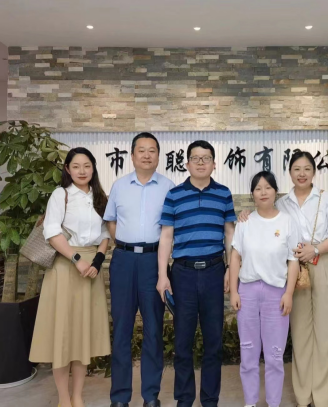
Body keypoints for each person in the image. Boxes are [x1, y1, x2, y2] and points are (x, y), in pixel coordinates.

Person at [239, 151, 328, 407]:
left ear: (314, 172)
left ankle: (322, 398)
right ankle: (302, 395)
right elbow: (265, 217)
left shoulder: (326, 199)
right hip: (295, 269)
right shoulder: (283, 202)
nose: (302, 173)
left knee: (325, 332)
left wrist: (315, 249)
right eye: (297, 169)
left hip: (323, 261)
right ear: (290, 173)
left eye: (307, 168)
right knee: (299, 331)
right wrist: (245, 213)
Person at [157, 140, 237, 407]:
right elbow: (166, 236)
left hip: (214, 271)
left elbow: (229, 234)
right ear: (187, 163)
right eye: (195, 158)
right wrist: (162, 275)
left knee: (214, 341)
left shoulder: (223, 194)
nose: (201, 162)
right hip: (183, 274)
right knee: (182, 343)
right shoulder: (174, 195)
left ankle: (210, 400)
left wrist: (230, 270)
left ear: (214, 163)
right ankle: (184, 399)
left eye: (206, 158)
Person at [30, 147, 111, 407]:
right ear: (67, 169)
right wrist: (77, 260)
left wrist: (96, 262)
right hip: (65, 267)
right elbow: (52, 232)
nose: (82, 171)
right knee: (62, 336)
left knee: (81, 336)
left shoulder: (100, 197)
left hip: (91, 270)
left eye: (87, 166)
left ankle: (78, 396)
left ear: (93, 168)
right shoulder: (60, 195)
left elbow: (105, 235)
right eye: (76, 166)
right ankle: (64, 399)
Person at [104, 132, 175, 407]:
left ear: (158, 156)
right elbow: (111, 222)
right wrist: (125, 244)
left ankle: (150, 396)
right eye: (141, 150)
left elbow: (171, 229)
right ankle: (120, 397)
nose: (147, 155)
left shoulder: (169, 187)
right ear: (132, 156)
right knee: (122, 329)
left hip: (153, 262)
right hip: (123, 261)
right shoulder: (119, 186)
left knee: (154, 330)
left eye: (152, 150)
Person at [230, 171, 300, 407]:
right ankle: (250, 402)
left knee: (275, 355)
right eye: (258, 188)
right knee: (248, 353)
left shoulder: (287, 221)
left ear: (275, 192)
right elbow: (235, 256)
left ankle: (273, 403)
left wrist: (288, 293)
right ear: (252, 194)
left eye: (268, 187)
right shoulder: (245, 222)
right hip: (248, 293)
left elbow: (293, 260)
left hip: (276, 294)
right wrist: (234, 291)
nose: (263, 192)